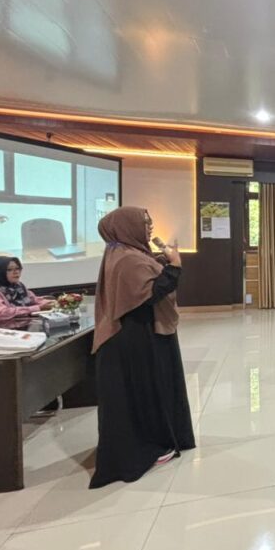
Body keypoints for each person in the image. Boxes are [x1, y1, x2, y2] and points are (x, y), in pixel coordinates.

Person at [90, 206, 195, 489]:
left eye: (150, 222)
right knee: (145, 390)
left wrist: (163, 260)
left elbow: (146, 277)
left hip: (139, 333)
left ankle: (161, 438)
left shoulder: (126, 252)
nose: (149, 227)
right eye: (145, 222)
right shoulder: (127, 258)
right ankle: (150, 444)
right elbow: (149, 293)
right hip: (136, 335)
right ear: (126, 226)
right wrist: (174, 266)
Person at [0, 256, 55, 324]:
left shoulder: (17, 286)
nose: (16, 272)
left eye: (18, 268)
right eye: (9, 270)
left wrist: (55, 303)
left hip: (14, 328)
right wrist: (37, 308)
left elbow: (33, 300)